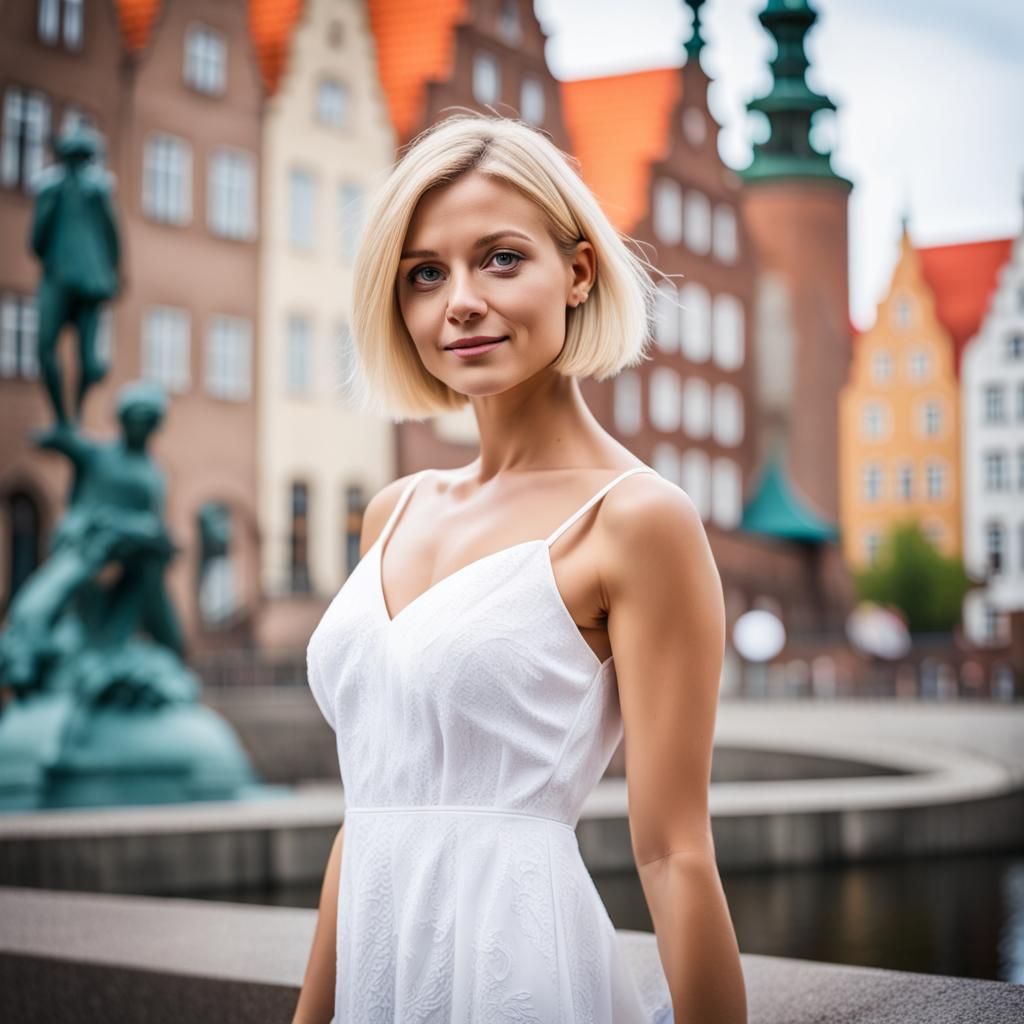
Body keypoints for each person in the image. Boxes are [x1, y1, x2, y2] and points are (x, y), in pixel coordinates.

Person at [294, 114, 746, 1024]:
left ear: (578, 273)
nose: (460, 301)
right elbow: (369, 812)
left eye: (500, 259)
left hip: (519, 972)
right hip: (379, 974)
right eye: (426, 273)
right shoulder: (395, 510)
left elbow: (674, 853)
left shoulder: (636, 519)